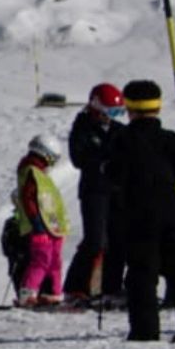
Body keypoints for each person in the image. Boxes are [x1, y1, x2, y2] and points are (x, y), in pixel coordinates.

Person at [103, 80, 175, 345]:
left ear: (129, 109)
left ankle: (144, 331)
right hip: (171, 213)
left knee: (142, 274)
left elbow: (113, 175)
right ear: (158, 107)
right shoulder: (171, 140)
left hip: (138, 215)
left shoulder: (121, 140)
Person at [62, 82, 127, 305]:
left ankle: (112, 287)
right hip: (95, 191)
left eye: (116, 112)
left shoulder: (119, 130)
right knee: (96, 240)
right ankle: (75, 287)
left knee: (118, 239)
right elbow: (78, 158)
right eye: (109, 111)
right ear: (96, 107)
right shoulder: (83, 127)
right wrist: (102, 161)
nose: (111, 117)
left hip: (117, 190)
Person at [12, 134, 69, 307]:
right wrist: (36, 223)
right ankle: (28, 292)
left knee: (55, 260)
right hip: (39, 226)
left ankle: (53, 292)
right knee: (42, 258)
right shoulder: (31, 171)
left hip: (52, 226)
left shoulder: (40, 173)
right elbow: (28, 198)